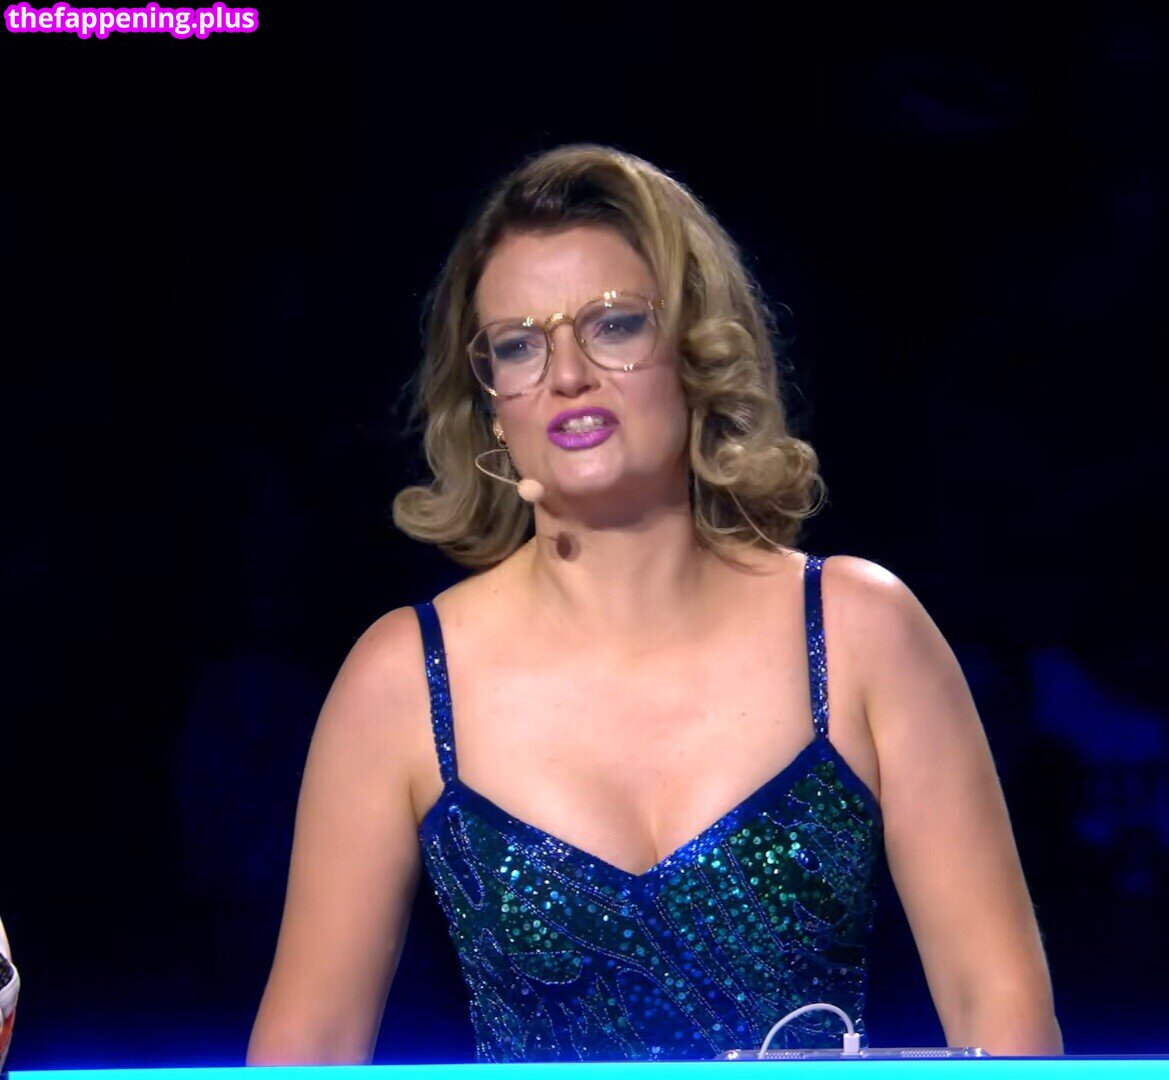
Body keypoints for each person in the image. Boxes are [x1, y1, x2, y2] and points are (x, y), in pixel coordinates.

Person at [246, 144, 1062, 1064]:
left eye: (613, 326)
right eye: (518, 345)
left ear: (694, 348)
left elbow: (1003, 1015)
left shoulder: (861, 632)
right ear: (491, 407)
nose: (566, 376)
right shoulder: (401, 681)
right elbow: (306, 1052)